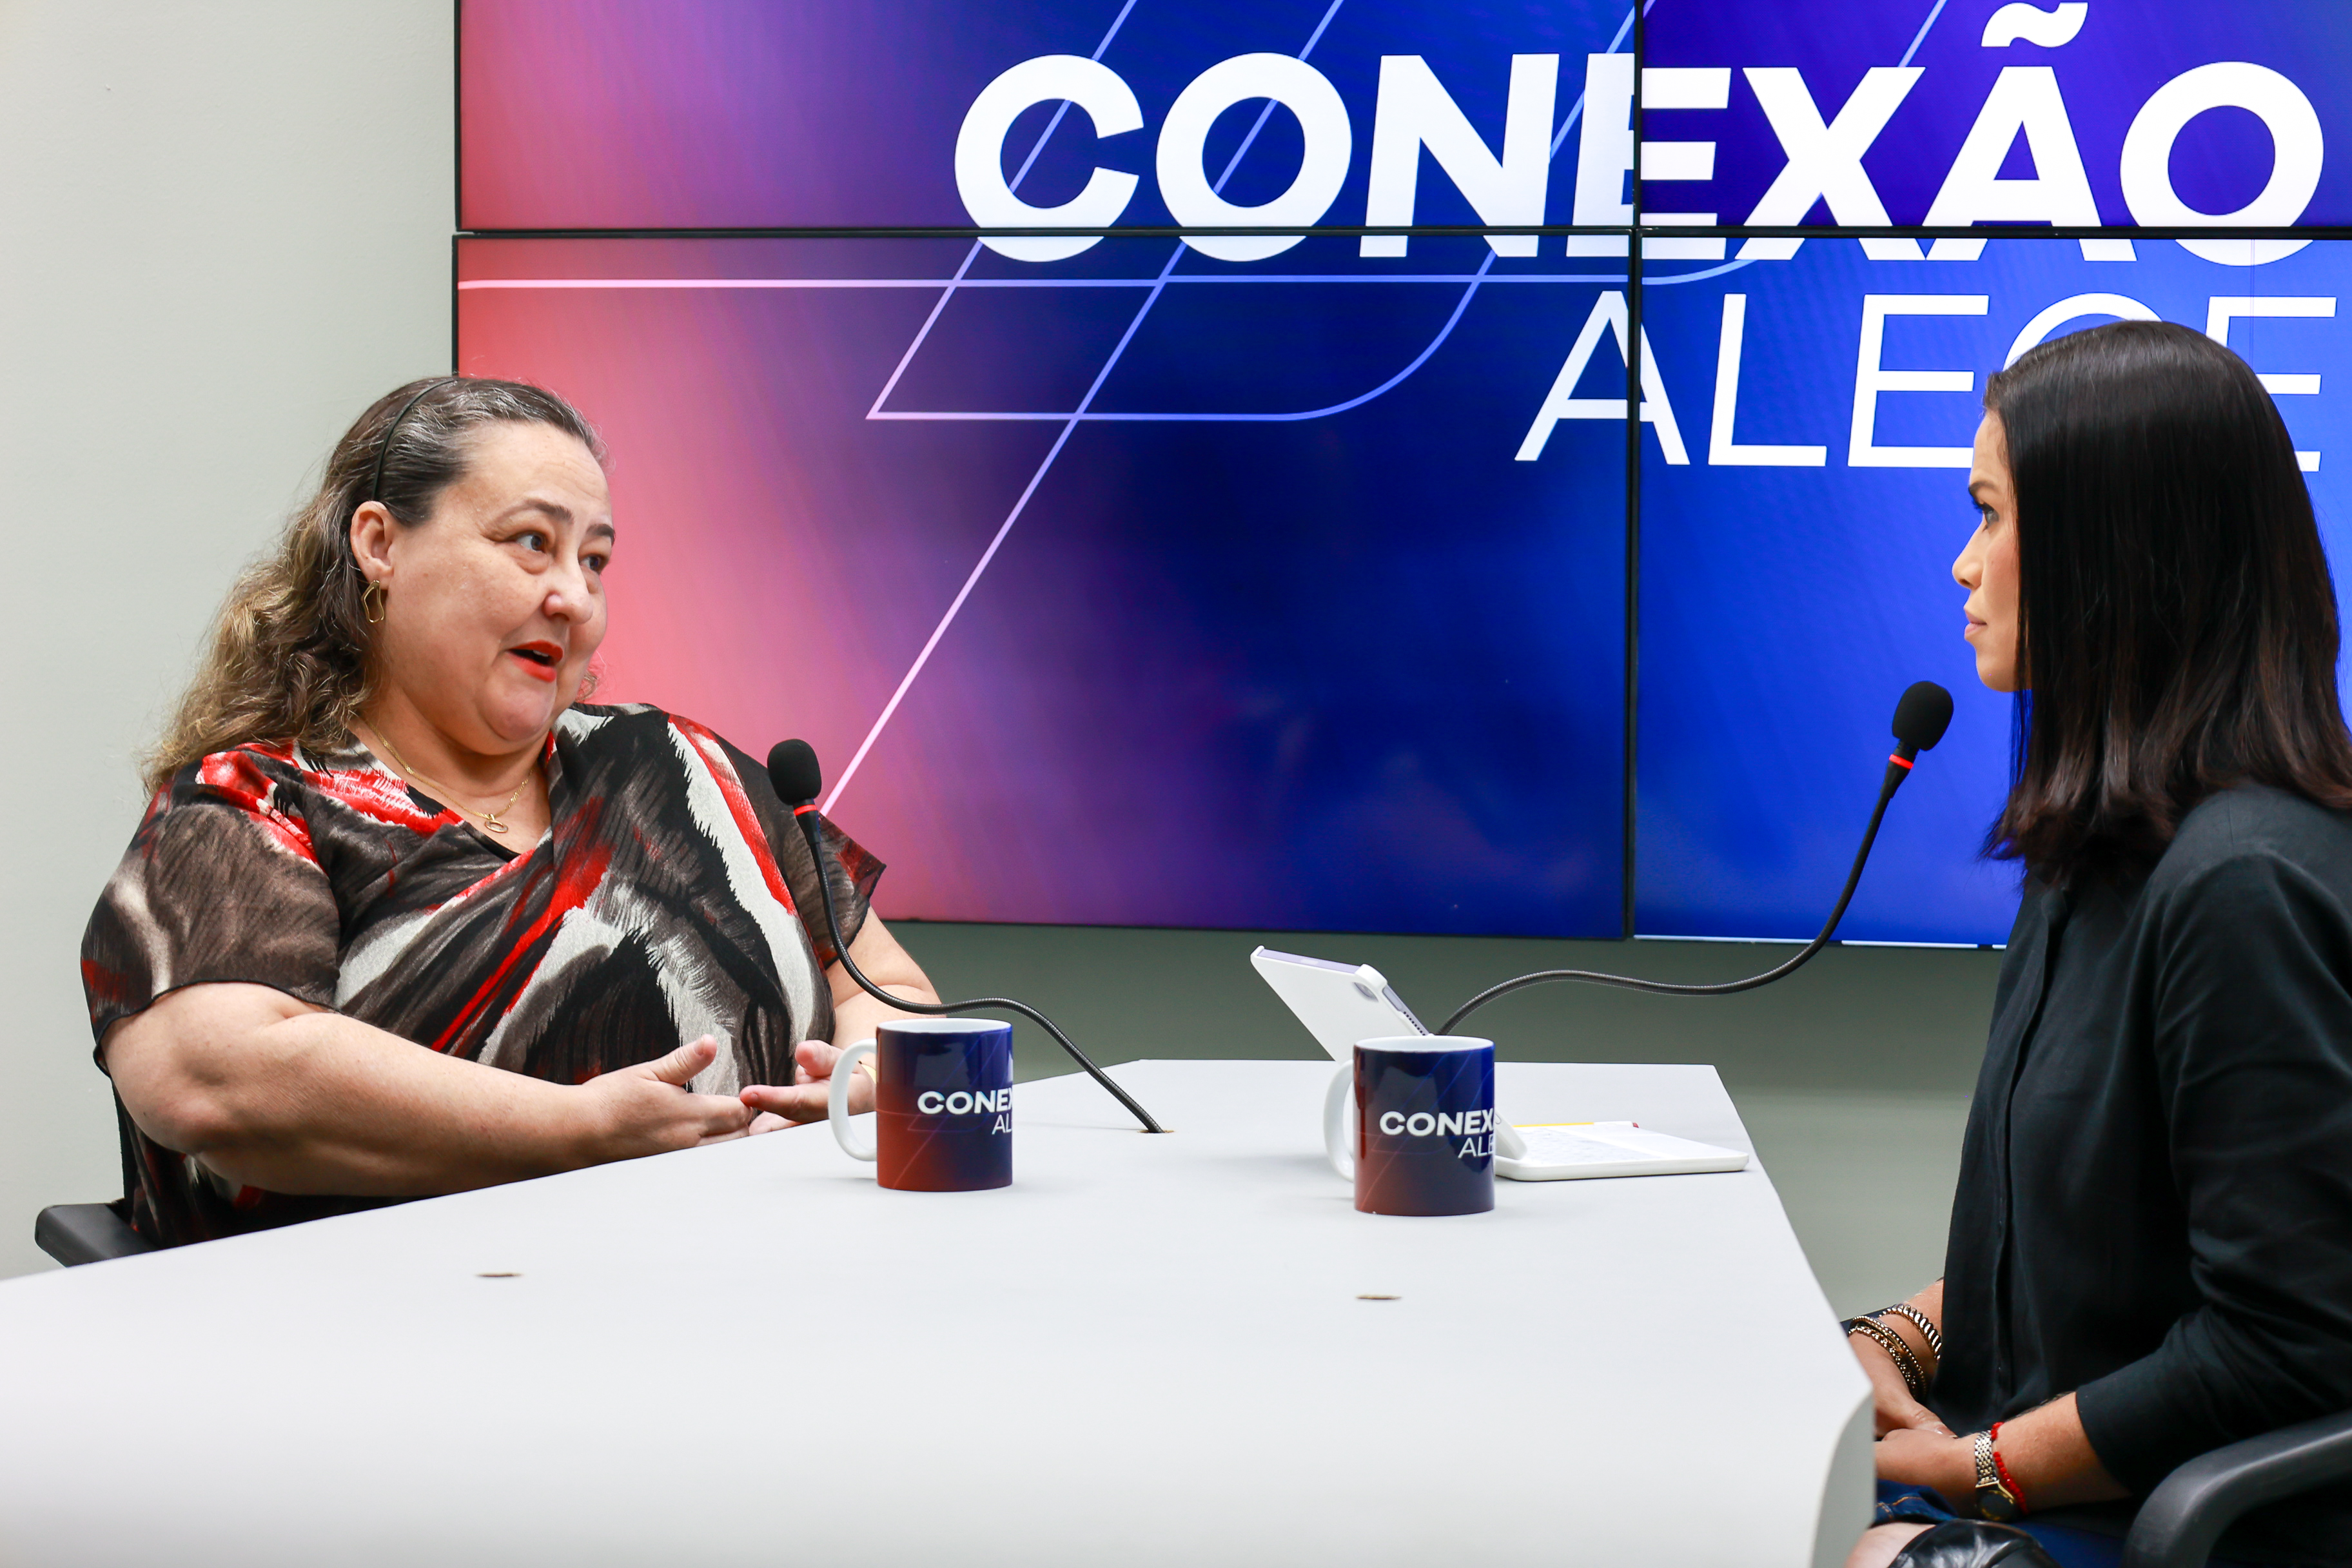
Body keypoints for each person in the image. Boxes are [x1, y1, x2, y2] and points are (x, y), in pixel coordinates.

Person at [82, 377, 940, 1247]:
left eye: (594, 560)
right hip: (398, 1314)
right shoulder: (254, 801)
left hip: (779, 1277)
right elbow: (211, 1081)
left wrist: (864, 1076)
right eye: (532, 543)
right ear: (380, 545)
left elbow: (894, 993)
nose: (575, 598)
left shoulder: (686, 765)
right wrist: (574, 1133)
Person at [1841, 320, 2352, 1568]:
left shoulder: (2242, 882)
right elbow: (2095, 1248)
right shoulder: (2102, 854)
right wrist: (1895, 1339)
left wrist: (1976, 1467)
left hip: (2180, 1534)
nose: (1965, 565)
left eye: (1991, 516)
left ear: (2112, 555)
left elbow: (2290, 1343)